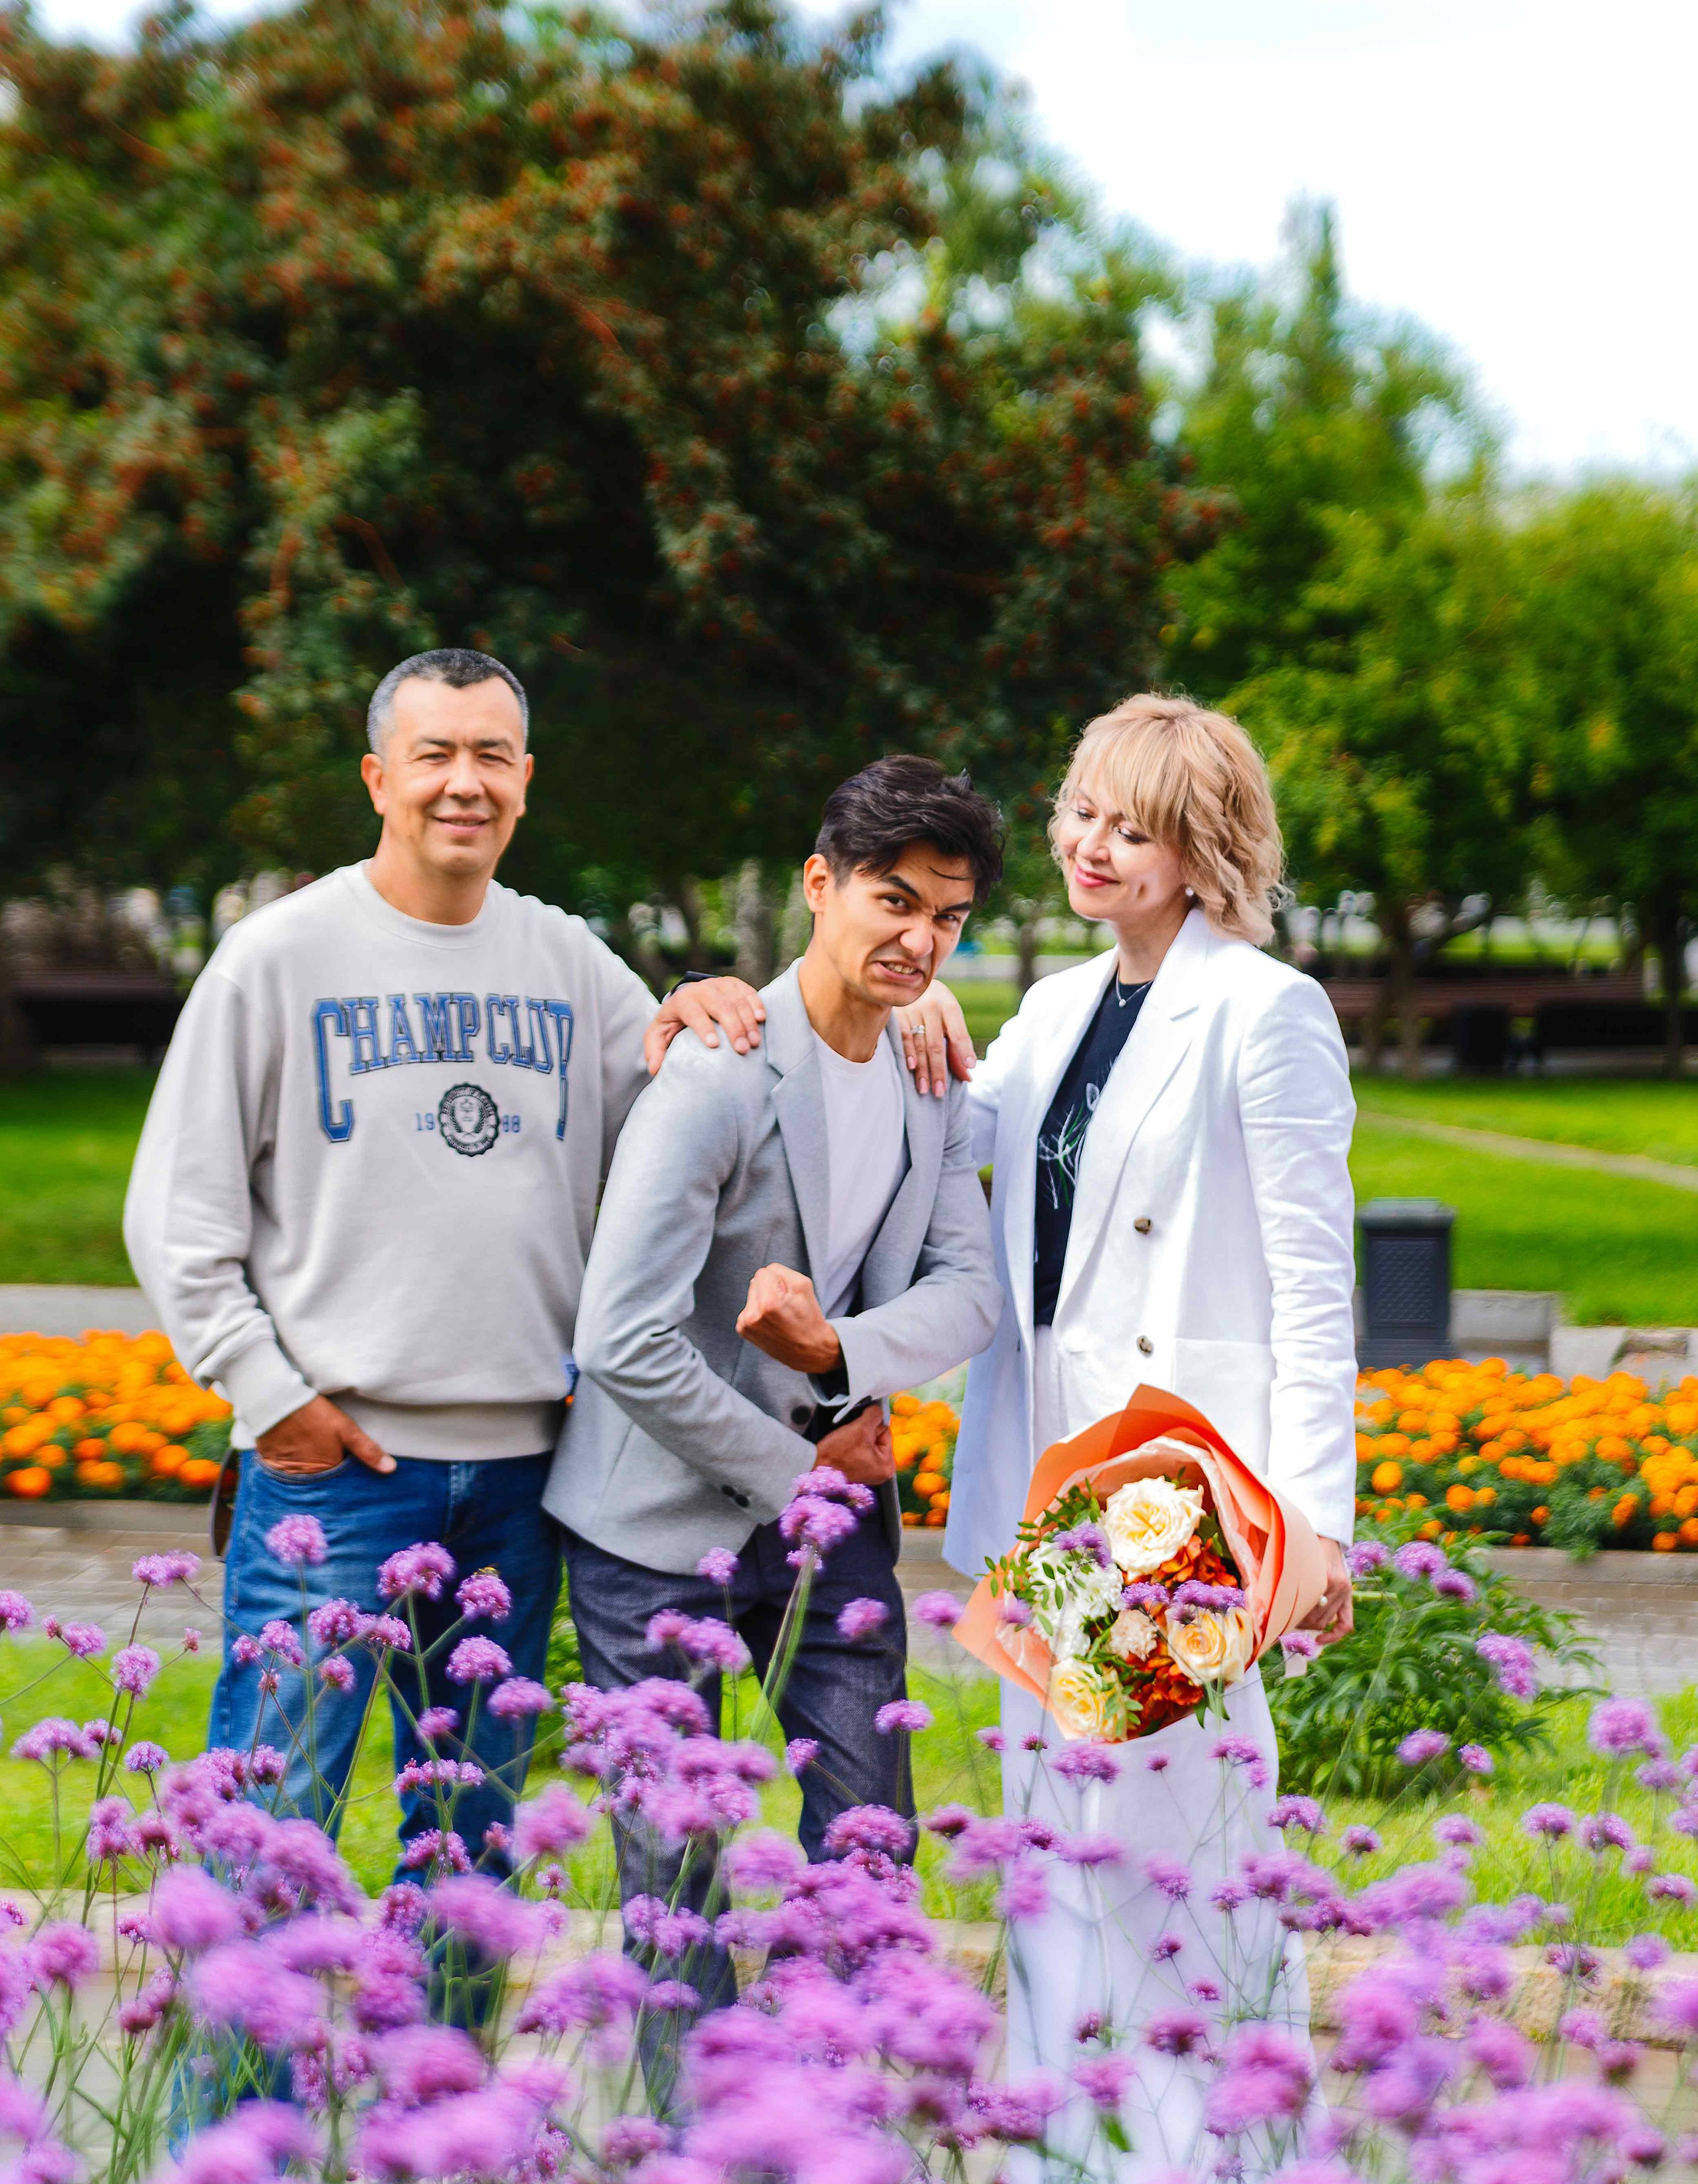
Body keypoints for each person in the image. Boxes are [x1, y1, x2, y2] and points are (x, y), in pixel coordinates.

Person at [123, 647, 757, 1876]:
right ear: (377, 777)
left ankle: (448, 2076)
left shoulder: (568, 962)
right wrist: (276, 1404)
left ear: (526, 779)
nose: (463, 783)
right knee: (267, 1834)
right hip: (334, 1473)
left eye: (491, 756)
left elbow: (697, 1093)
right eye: (434, 754)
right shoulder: (278, 958)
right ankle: (235, 2079)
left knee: (470, 1855)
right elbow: (175, 1217)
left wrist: (722, 993)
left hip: (519, 1480)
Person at [895, 694, 1357, 2177]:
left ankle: (1224, 2156)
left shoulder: (1264, 1009)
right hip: (1047, 1494)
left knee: (1184, 1866)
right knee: (1055, 1857)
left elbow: (1309, 1281)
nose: (1090, 844)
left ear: (1196, 845)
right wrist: (904, 1000)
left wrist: (1316, 1522)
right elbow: (961, 1171)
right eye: (1081, 808)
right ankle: (1067, 2154)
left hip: (1174, 1502)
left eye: (1131, 823)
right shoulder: (1047, 1009)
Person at [547, 755, 1004, 2063]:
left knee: (867, 1865)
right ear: (819, 885)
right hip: (654, 1533)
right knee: (677, 1892)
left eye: (947, 917)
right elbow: (619, 1336)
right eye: (891, 901)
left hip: (835, 1512)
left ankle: (838, 2131)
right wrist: (793, 1463)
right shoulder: (717, 1074)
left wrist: (837, 1360)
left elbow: (967, 1290)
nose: (918, 940)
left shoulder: (934, 1076)